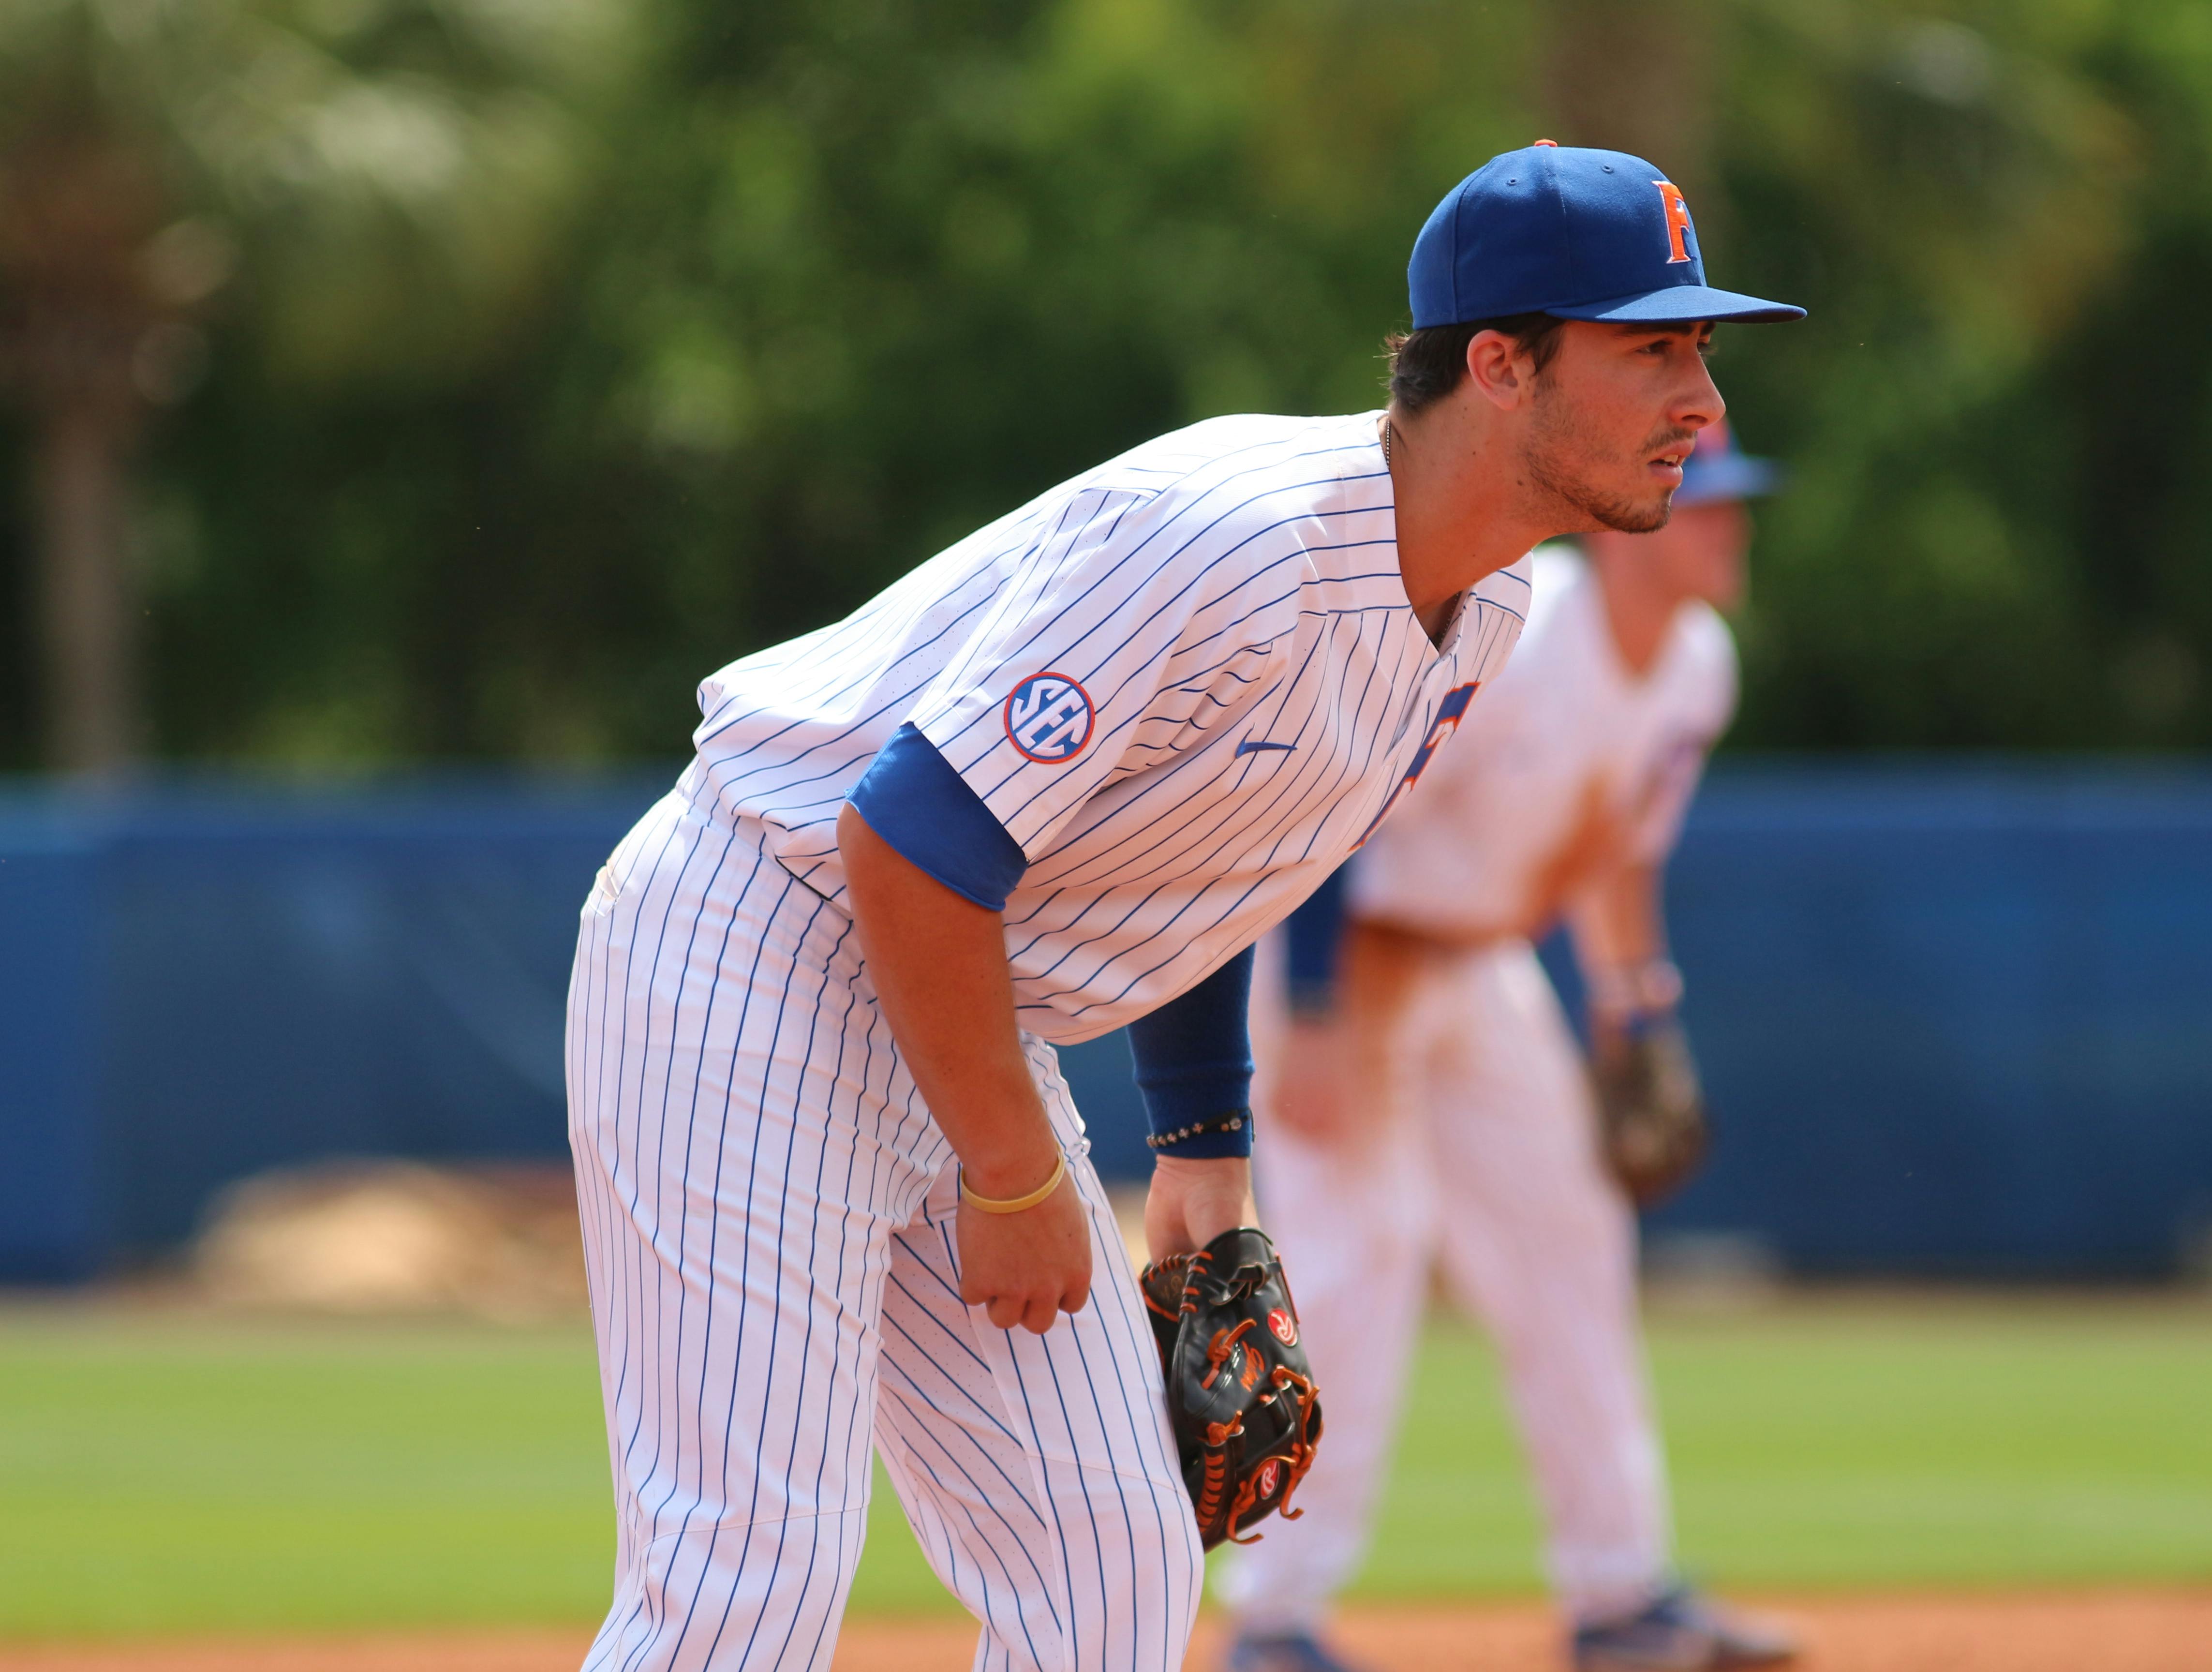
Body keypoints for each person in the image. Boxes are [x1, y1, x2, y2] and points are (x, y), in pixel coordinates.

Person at [563, 140, 1798, 1672]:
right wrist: (1013, 1175)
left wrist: (1203, 1157)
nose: (1705, 404)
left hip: (957, 996)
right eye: (1656, 348)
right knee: (749, 1575)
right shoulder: (1236, 532)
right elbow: (907, 838)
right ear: (1501, 363)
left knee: (1110, 1556)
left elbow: (1215, 861)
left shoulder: (1484, 609)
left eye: (1702, 351)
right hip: (759, 946)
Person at [1221, 420, 1797, 1672]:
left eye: (1732, 499)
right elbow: (1342, 800)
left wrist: (1635, 1007)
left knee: (1571, 1239)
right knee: (1360, 1262)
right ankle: (1272, 1624)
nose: (1730, 523)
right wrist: (1312, 1018)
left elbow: (1614, 854)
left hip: (1481, 965)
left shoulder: (1699, 666)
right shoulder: (1527, 642)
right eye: (1705, 502)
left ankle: (1619, 1598)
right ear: (1625, 525)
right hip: (1351, 959)